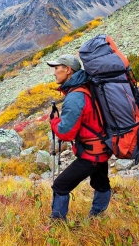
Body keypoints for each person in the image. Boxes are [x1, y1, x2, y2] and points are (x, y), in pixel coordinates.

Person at [46, 54, 112, 221]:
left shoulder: (75, 96)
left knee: (60, 186)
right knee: (100, 182)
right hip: (103, 147)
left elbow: (66, 133)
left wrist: (54, 122)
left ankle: (57, 223)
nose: (54, 73)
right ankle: (97, 216)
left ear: (68, 70)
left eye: (57, 68)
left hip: (92, 153)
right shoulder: (87, 86)